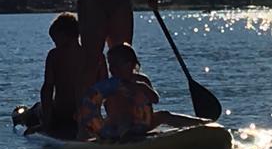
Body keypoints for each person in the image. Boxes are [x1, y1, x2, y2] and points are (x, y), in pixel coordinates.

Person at [78, 44, 206, 141]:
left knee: (164, 115)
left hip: (142, 123)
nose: (113, 68)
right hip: (117, 126)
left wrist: (142, 87)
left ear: (131, 65)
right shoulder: (110, 85)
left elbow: (155, 99)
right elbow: (99, 104)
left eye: (117, 65)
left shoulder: (141, 80)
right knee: (123, 119)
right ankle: (124, 138)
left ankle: (202, 124)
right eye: (111, 65)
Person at [38, 12, 103, 139]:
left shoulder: (54, 56)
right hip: (88, 115)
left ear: (63, 36)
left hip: (62, 115)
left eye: (56, 40)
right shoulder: (96, 56)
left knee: (36, 110)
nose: (55, 45)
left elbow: (47, 88)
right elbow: (103, 88)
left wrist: (47, 123)